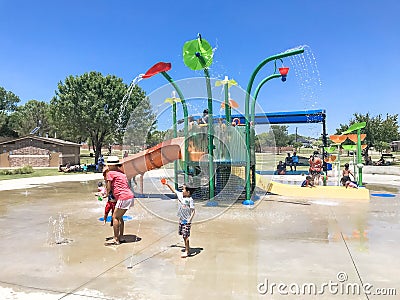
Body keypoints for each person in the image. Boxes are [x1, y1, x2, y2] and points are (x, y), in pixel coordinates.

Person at [104, 156, 134, 246]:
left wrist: (106, 194)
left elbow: (109, 187)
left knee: (115, 217)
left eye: (109, 165)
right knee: (119, 217)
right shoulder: (121, 172)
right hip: (129, 196)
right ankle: (121, 236)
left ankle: (116, 239)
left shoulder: (111, 173)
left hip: (123, 197)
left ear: (113, 165)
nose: (108, 167)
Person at [163, 179, 196, 258]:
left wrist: (189, 220)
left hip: (187, 221)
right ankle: (187, 247)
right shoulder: (181, 195)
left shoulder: (190, 200)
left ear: (188, 192)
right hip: (181, 220)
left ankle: (187, 251)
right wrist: (167, 184)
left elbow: (193, 211)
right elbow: (174, 190)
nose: (182, 189)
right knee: (183, 235)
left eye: (184, 189)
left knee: (185, 236)